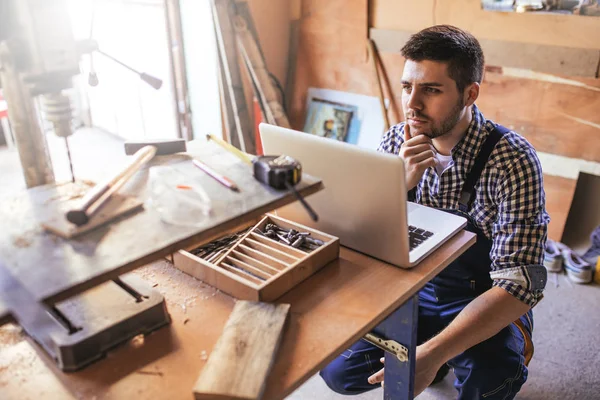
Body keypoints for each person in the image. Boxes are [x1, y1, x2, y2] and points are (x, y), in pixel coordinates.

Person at [319, 25, 549, 399]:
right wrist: (400, 183)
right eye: (408, 86)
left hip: (480, 294)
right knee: (338, 371)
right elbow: (366, 239)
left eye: (431, 89)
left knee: (491, 380)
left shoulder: (513, 160)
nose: (412, 104)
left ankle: (446, 352)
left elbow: (521, 284)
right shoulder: (397, 140)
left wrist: (431, 353)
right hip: (413, 286)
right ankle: (438, 352)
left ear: (470, 92)